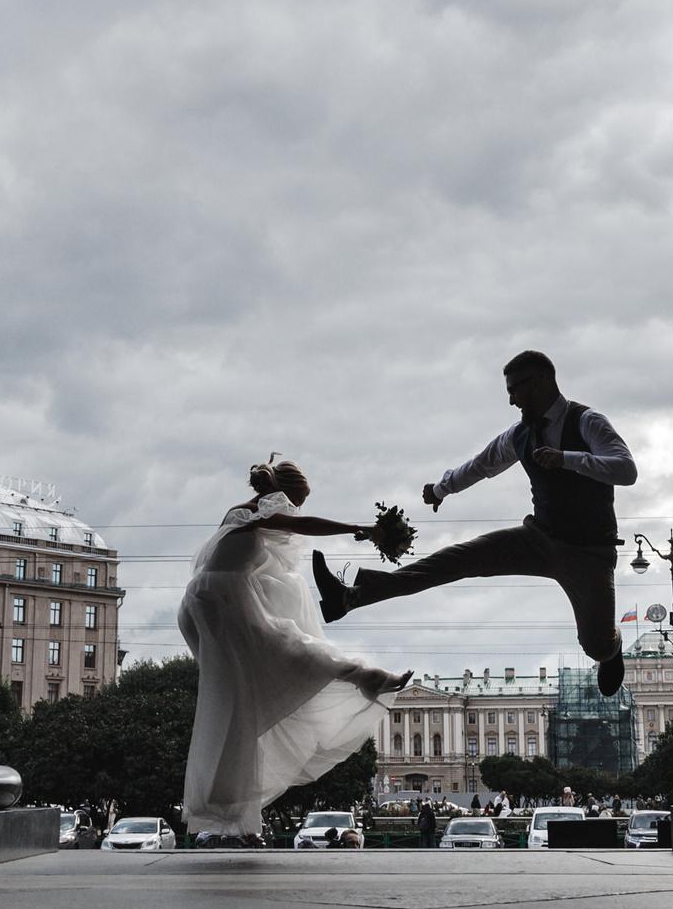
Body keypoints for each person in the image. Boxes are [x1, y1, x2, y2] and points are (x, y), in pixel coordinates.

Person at [314, 350, 637, 695]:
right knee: (457, 559)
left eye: (514, 390)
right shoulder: (520, 434)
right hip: (539, 538)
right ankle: (350, 597)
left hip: (588, 552)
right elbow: (483, 464)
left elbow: (625, 469)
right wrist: (441, 489)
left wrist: (567, 459)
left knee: (595, 645)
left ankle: (611, 649)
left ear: (538, 383)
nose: (512, 401)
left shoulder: (587, 421)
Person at [179, 456, 414, 844]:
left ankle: (238, 821)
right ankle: (365, 676)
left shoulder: (239, 512)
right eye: (299, 499)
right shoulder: (271, 508)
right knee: (293, 650)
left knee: (242, 708)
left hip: (202, 604)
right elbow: (299, 524)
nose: (298, 508)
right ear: (286, 494)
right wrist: (361, 528)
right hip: (223, 600)